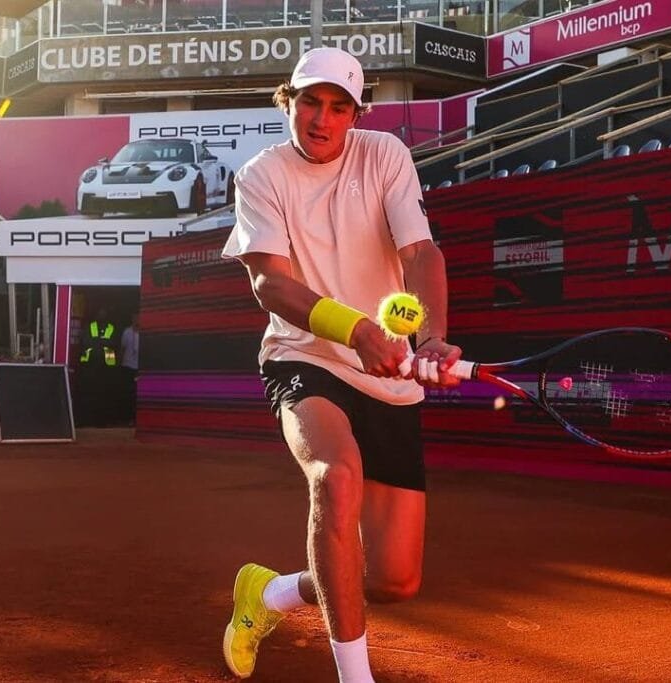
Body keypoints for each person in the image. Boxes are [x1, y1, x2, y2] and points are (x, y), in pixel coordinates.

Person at [220, 47, 463, 682]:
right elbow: (271, 284)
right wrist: (356, 330)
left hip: (387, 377)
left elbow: (420, 253)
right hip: (304, 357)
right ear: (290, 101)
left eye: (337, 107)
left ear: (356, 114)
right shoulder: (261, 175)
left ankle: (272, 592)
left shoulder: (385, 156)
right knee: (336, 477)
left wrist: (433, 338)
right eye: (309, 102)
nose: (321, 119)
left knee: (393, 581)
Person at [119, 313, 140, 424]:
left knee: (137, 393)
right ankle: (126, 418)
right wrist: (119, 362)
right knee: (127, 392)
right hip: (127, 365)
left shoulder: (143, 333)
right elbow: (122, 349)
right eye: (135, 318)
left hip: (139, 367)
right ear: (132, 319)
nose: (137, 320)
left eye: (139, 318)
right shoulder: (127, 332)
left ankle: (135, 418)